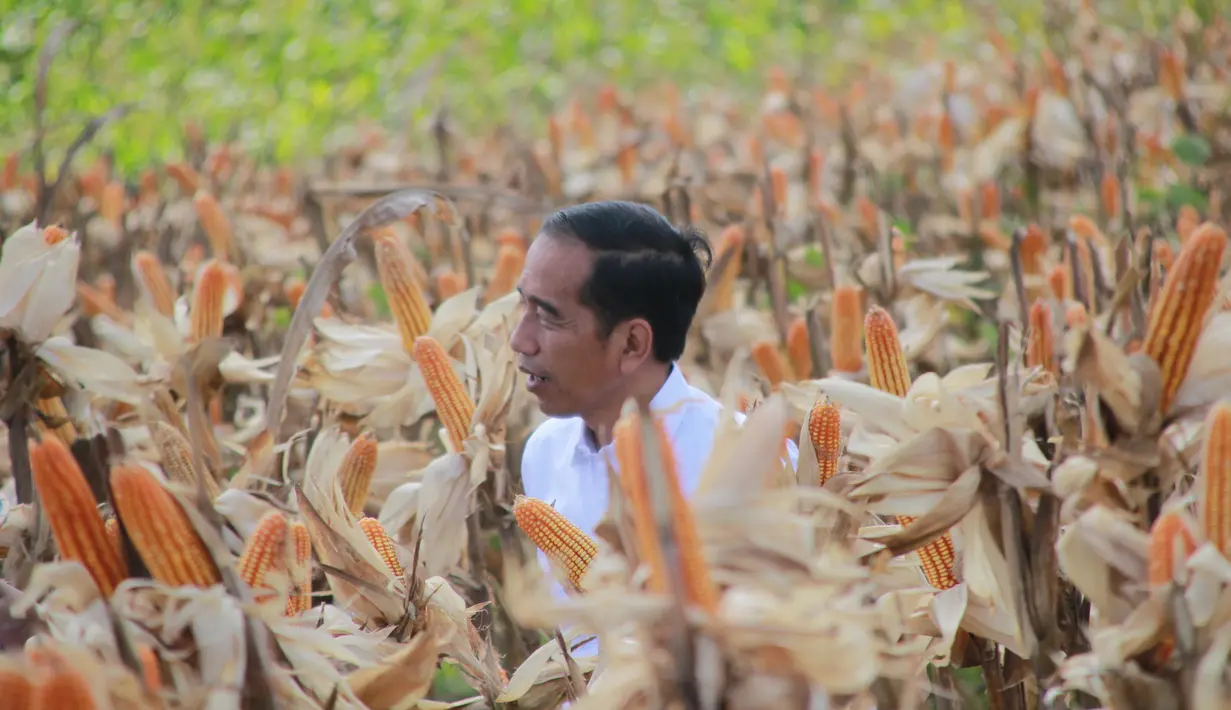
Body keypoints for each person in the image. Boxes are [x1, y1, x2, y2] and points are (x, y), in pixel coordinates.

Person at [512, 201, 798, 655]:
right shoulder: (543, 452)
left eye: (547, 316)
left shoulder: (751, 465)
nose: (519, 339)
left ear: (632, 343)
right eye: (522, 305)